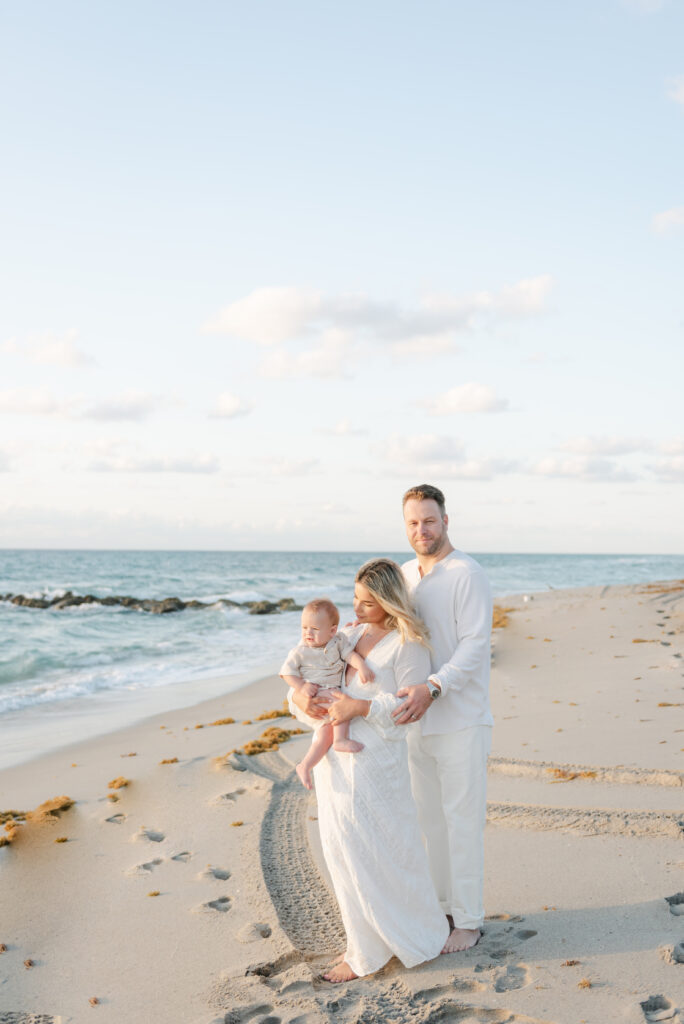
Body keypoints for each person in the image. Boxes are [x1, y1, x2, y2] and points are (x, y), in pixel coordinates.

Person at [289, 559, 450, 983]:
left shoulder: (407, 644)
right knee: (342, 853)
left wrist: (359, 707)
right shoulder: (348, 636)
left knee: (384, 853)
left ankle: (391, 943)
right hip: (336, 766)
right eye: (355, 599)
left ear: (388, 601)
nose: (356, 610)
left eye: (366, 603)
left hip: (377, 762)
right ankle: (364, 945)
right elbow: (311, 681)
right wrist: (302, 703)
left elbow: (408, 709)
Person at [392, 483, 493, 953]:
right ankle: (443, 911)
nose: (421, 530)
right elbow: (393, 632)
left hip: (461, 718)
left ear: (446, 521)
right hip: (416, 721)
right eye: (413, 522)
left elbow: (475, 645)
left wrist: (435, 686)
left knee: (462, 821)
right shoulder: (405, 575)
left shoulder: (466, 573)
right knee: (430, 823)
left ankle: (469, 922)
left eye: (429, 520)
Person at [280, 598, 374, 790]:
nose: (308, 633)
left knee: (325, 732)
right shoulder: (300, 651)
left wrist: (362, 666)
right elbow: (286, 673)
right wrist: (301, 687)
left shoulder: (338, 641)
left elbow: (350, 655)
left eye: (314, 628)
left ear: (332, 630)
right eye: (304, 627)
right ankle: (341, 740)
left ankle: (305, 765)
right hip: (317, 692)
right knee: (341, 707)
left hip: (332, 692)